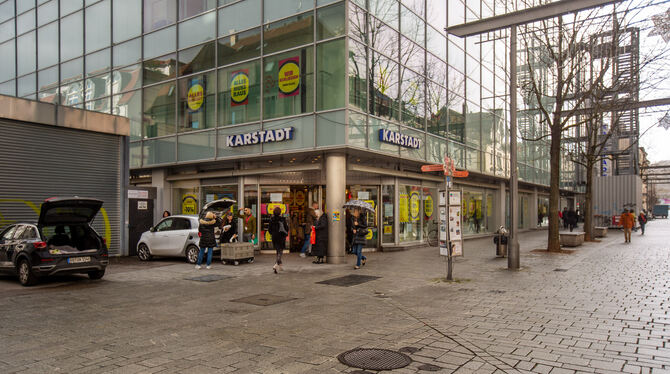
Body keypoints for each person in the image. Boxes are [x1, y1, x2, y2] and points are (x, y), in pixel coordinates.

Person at [268, 207, 288, 274]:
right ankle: (276, 264)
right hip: (281, 236)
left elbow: (269, 229)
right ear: (280, 212)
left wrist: (273, 233)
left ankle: (279, 265)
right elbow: (286, 228)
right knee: (280, 251)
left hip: (274, 237)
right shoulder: (282, 219)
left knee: (278, 251)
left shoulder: (271, 220)